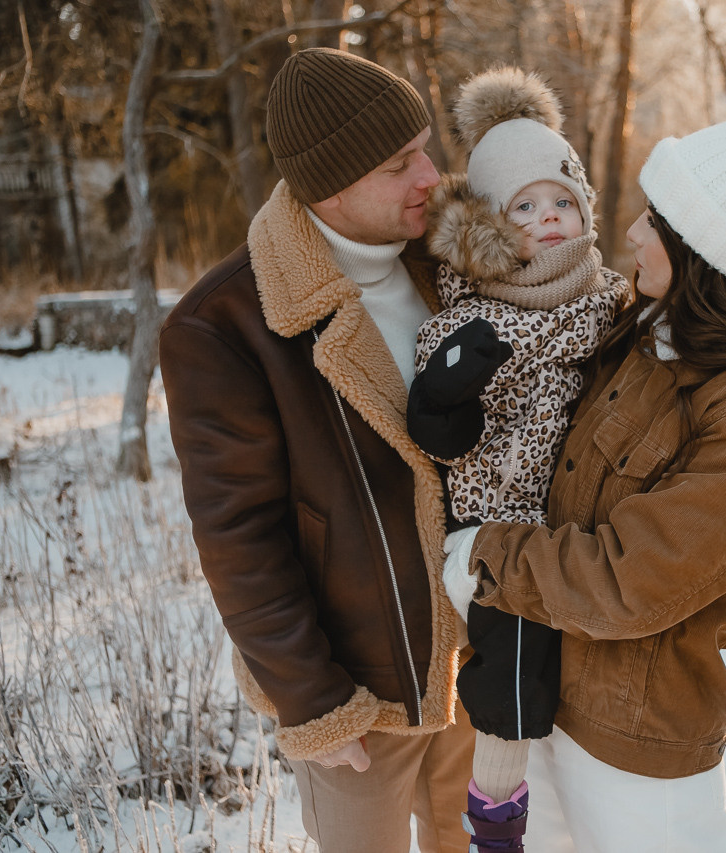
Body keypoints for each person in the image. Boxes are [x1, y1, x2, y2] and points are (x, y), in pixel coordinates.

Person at [439, 98, 726, 851]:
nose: (630, 231)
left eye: (656, 220)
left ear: (701, 249)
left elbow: (633, 578)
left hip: (639, 755)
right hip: (555, 709)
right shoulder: (634, 339)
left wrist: (483, 554)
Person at [158, 48, 474, 853]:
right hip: (358, 690)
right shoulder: (223, 325)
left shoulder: (451, 263)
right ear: (331, 186)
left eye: (425, 149)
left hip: (478, 659)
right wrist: (315, 699)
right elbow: (239, 536)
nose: (430, 176)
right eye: (399, 164)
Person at [404, 67, 631, 851]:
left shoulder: (609, 303)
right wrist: (449, 393)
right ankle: (495, 820)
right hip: (494, 529)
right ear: (493, 230)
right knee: (514, 667)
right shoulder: (472, 320)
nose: (549, 219)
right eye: (524, 208)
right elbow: (442, 434)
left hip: (577, 519)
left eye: (560, 200)